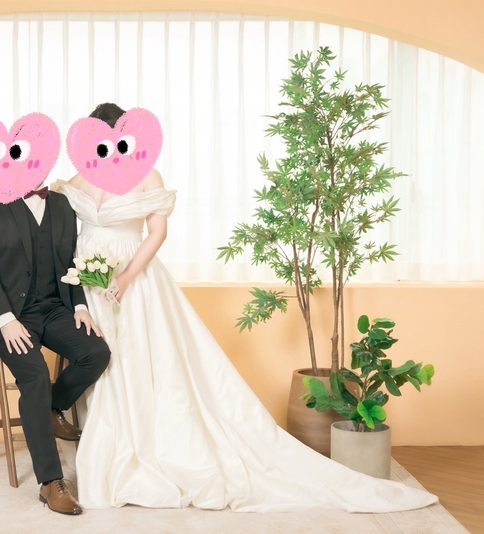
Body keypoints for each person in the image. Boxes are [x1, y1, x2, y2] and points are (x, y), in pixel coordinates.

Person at [54, 102, 438, 513]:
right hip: (86, 281)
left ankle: (143, 444)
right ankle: (103, 439)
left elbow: (157, 232)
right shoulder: (78, 177)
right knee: (102, 360)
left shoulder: (147, 176)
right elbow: (57, 223)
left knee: (145, 358)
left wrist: (127, 276)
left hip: (136, 277)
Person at [0, 178, 111, 516]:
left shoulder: (61, 204)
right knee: (35, 376)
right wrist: (5, 319)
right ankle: (50, 482)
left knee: (97, 353)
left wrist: (80, 307)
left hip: (54, 309)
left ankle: (50, 406)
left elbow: (70, 262)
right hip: (10, 314)